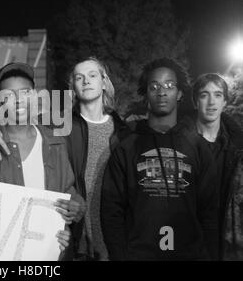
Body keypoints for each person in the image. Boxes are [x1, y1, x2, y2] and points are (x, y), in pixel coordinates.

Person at [101, 58, 219, 260]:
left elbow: (210, 212)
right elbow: (112, 211)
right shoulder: (127, 147)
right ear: (146, 93)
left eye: (169, 85)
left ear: (180, 93)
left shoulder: (198, 147)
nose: (162, 92)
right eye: (154, 86)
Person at [0, 62, 85, 257]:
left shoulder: (55, 143)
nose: (18, 100)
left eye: (25, 92)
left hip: (48, 252)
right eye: (8, 96)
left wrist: (75, 208)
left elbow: (67, 191)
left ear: (36, 96)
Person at [64, 57, 131, 261]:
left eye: (92, 75)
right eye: (79, 77)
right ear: (73, 87)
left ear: (104, 82)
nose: (86, 81)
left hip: (115, 242)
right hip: (75, 242)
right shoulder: (59, 129)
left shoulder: (124, 132)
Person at [192, 73, 243, 260]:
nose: (211, 102)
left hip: (226, 243)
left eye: (218, 95)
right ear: (195, 101)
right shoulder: (179, 145)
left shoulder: (238, 149)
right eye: (204, 95)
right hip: (187, 239)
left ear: (225, 102)